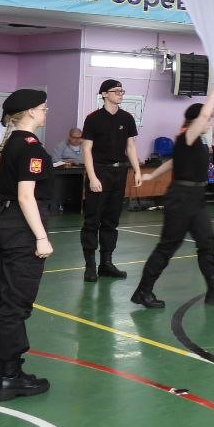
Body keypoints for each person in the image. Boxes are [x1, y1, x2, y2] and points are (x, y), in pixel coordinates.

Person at [130, 88, 214, 309]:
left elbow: (173, 162)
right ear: (196, 120)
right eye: (206, 118)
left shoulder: (195, 141)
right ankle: (143, 292)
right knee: (167, 247)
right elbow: (202, 118)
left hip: (196, 198)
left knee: (207, 243)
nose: (208, 121)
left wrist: (152, 174)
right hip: (180, 199)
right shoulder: (186, 135)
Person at [0, 88, 53, 401]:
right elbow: (26, 195)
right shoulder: (31, 147)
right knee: (14, 305)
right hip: (20, 230)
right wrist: (41, 236)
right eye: (43, 107)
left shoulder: (9, 143)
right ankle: (11, 377)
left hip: (1, 223)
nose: (46, 111)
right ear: (31, 112)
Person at [80, 79, 143, 283]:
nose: (120, 94)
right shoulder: (93, 119)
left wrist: (138, 170)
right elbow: (86, 149)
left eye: (122, 91)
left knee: (111, 221)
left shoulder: (127, 118)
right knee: (92, 221)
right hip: (99, 171)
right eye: (116, 91)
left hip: (119, 173)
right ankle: (90, 266)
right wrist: (92, 177)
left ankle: (106, 263)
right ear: (104, 94)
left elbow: (131, 147)